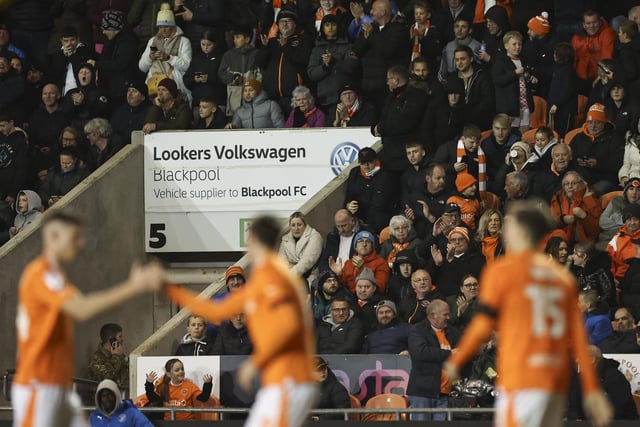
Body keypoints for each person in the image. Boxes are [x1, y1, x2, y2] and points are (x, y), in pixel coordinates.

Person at [444, 200, 613, 427]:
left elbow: (483, 324)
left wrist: (457, 360)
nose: (505, 229)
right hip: (555, 379)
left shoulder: (502, 271)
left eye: (509, 224)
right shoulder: (562, 278)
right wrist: (591, 388)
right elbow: (577, 335)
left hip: (521, 376)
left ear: (520, 231)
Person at [162, 215, 318, 427]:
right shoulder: (262, 277)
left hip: (290, 379)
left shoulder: (274, 278)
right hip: (278, 382)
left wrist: (255, 363)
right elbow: (213, 311)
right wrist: (167, 287)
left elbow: (288, 328)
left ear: (252, 239)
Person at [12, 211, 165, 427]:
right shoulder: (41, 274)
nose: (80, 243)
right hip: (39, 385)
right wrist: (135, 286)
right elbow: (81, 309)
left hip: (56, 386)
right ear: (53, 236)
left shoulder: (54, 276)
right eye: (74, 237)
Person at [351, 0, 411, 113]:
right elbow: (356, 49)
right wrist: (366, 36)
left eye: (374, 9)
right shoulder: (371, 28)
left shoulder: (398, 29)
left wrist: (372, 34)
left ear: (383, 12)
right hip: (368, 85)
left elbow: (388, 50)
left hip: (387, 87)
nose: (371, 12)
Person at [407, 299, 460, 421]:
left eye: (448, 314)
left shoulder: (453, 332)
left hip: (445, 393)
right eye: (445, 314)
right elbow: (420, 352)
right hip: (422, 392)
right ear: (432, 315)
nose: (448, 317)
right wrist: (450, 353)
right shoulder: (418, 330)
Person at [372, 65, 428, 176]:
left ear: (396, 80)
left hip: (403, 156)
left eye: (388, 79)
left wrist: (381, 128)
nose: (387, 83)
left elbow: (404, 122)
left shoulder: (413, 96)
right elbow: (385, 118)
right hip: (391, 155)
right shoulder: (392, 97)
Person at [256, 9, 312, 115]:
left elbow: (303, 59)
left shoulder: (303, 40)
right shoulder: (271, 42)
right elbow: (260, 63)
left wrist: (285, 46)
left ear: (295, 24)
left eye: (288, 21)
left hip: (295, 98)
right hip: (272, 98)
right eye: (281, 22)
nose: (284, 24)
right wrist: (264, 48)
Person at [138, 4, 193, 104]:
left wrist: (169, 58)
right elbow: (142, 67)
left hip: (175, 88)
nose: (163, 30)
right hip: (154, 89)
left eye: (166, 26)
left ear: (173, 26)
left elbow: (187, 66)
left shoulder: (184, 41)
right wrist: (150, 58)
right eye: (160, 27)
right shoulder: (152, 41)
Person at [307, 14, 358, 110]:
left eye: (333, 25)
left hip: (345, 98)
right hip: (324, 100)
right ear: (322, 28)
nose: (330, 28)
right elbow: (312, 74)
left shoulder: (347, 46)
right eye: (327, 25)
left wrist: (334, 62)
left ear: (338, 27)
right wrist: (325, 66)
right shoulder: (316, 49)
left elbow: (352, 67)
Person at [570, 103, 621, 194]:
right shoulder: (578, 137)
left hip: (604, 179)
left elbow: (618, 164)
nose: (593, 126)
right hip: (580, 176)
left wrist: (598, 164)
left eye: (597, 122)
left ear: (605, 123)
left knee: (590, 194)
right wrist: (577, 160)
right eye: (590, 122)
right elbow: (569, 156)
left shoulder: (614, 139)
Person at [492, 31, 537, 132]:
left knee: (524, 133)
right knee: (511, 134)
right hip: (510, 107)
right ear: (506, 46)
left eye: (520, 44)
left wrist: (531, 79)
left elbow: (526, 78)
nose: (517, 47)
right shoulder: (500, 61)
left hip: (525, 105)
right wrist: (514, 72)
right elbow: (498, 80)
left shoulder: (524, 60)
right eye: (514, 44)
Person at [343, 147, 395, 234]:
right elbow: (348, 196)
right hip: (361, 218)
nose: (366, 165)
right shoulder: (354, 173)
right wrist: (349, 205)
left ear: (375, 160)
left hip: (381, 219)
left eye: (369, 162)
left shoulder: (386, 175)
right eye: (363, 163)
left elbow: (392, 201)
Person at [96, 10, 141, 104]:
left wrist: (96, 64)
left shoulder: (128, 41)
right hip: (112, 89)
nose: (103, 32)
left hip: (123, 91)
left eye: (106, 28)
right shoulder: (111, 40)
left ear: (114, 28)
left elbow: (120, 64)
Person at [145, 358, 213, 420]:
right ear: (169, 374)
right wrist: (149, 384)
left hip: (187, 422)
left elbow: (203, 398)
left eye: (182, 369)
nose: (181, 372)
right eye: (177, 370)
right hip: (168, 422)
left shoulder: (189, 385)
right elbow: (152, 398)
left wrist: (207, 384)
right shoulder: (163, 386)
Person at [217, 26, 261, 117]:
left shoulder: (257, 54)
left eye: (237, 37)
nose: (234, 40)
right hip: (234, 100)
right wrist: (233, 78)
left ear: (247, 39)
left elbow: (260, 74)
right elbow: (221, 73)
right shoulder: (228, 55)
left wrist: (253, 84)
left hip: (253, 100)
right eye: (234, 38)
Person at [329, 229, 390, 294]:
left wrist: (362, 269)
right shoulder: (348, 263)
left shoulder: (381, 262)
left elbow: (380, 288)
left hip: (371, 299)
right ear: (355, 247)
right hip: (350, 299)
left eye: (368, 241)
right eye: (360, 241)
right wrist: (339, 274)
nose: (364, 244)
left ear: (372, 247)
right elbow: (343, 287)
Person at [431, 226, 485, 297]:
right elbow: (433, 281)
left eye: (461, 239)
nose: (457, 242)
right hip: (445, 299)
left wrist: (452, 260)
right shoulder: (442, 259)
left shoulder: (477, 259)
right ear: (449, 243)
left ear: (467, 241)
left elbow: (465, 278)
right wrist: (437, 265)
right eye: (453, 240)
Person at [183, 28, 225, 118]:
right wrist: (194, 79)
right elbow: (186, 80)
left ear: (215, 43)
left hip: (217, 103)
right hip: (198, 104)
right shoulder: (196, 59)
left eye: (209, 44)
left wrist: (209, 78)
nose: (205, 47)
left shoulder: (222, 57)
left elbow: (225, 79)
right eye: (203, 44)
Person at [550, 171, 601, 245]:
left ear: (581, 184)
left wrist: (585, 216)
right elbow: (552, 221)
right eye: (567, 184)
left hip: (583, 243)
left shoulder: (589, 199)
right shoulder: (558, 198)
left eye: (573, 183)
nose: (570, 186)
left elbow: (596, 231)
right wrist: (563, 219)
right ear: (563, 187)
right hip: (561, 240)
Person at [571, 10, 616, 93]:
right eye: (588, 23)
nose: (591, 26)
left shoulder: (607, 33)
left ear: (600, 22)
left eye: (594, 22)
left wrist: (601, 76)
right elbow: (573, 58)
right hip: (580, 78)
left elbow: (606, 56)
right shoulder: (577, 37)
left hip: (598, 77)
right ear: (583, 25)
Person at [451, 45, 495, 131]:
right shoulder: (452, 78)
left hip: (480, 123)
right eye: (457, 60)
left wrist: (470, 114)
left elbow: (488, 101)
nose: (459, 62)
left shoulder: (482, 76)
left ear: (471, 59)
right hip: (459, 124)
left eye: (463, 59)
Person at [279, 211, 323, 284]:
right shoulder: (285, 239)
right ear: (290, 226)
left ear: (305, 225)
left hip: (309, 276)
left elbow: (308, 261)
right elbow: (281, 261)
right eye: (293, 225)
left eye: (299, 225)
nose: (296, 228)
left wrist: (291, 272)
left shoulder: (315, 236)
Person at [89, 379, 154, 427]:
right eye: (103, 395)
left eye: (110, 394)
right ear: (99, 398)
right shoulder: (94, 417)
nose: (107, 398)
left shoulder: (131, 412)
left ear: (116, 395)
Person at [599, 177, 640, 249]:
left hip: (633, 240)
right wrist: (626, 225)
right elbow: (602, 222)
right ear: (626, 191)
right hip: (609, 237)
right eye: (631, 189)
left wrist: (615, 218)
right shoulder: (616, 201)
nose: (634, 192)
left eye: (638, 190)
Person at [548, 42, 579, 137]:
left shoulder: (568, 71)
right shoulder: (559, 69)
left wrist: (557, 104)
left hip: (566, 109)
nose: (553, 55)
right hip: (558, 109)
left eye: (555, 53)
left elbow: (567, 91)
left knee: (564, 133)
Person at [479, 114, 520, 181]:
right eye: (497, 128)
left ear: (509, 129)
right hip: (492, 179)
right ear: (492, 128)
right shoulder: (486, 145)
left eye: (504, 129)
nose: (500, 133)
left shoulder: (516, 144)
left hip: (511, 178)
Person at [110, 81, 151, 146]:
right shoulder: (120, 111)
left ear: (143, 97)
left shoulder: (150, 111)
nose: (130, 94)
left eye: (134, 91)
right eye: (129, 90)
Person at [606, 203, 640, 281]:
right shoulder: (616, 239)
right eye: (629, 219)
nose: (632, 222)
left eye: (635, 219)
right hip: (620, 280)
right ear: (624, 221)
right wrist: (612, 279)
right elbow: (608, 261)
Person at [88, 323, 129, 388]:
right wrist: (116, 356)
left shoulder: (120, 356)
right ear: (112, 339)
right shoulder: (96, 358)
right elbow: (107, 377)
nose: (122, 340)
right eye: (120, 337)